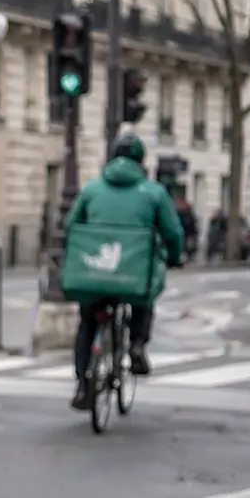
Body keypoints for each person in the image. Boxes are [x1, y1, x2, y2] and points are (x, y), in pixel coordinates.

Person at [65, 133, 186, 411]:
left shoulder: (92, 189)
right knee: (143, 299)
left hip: (94, 273)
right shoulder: (154, 192)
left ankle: (83, 383)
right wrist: (176, 257)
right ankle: (137, 346)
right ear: (141, 161)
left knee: (87, 323)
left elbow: (72, 224)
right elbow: (172, 233)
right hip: (131, 274)